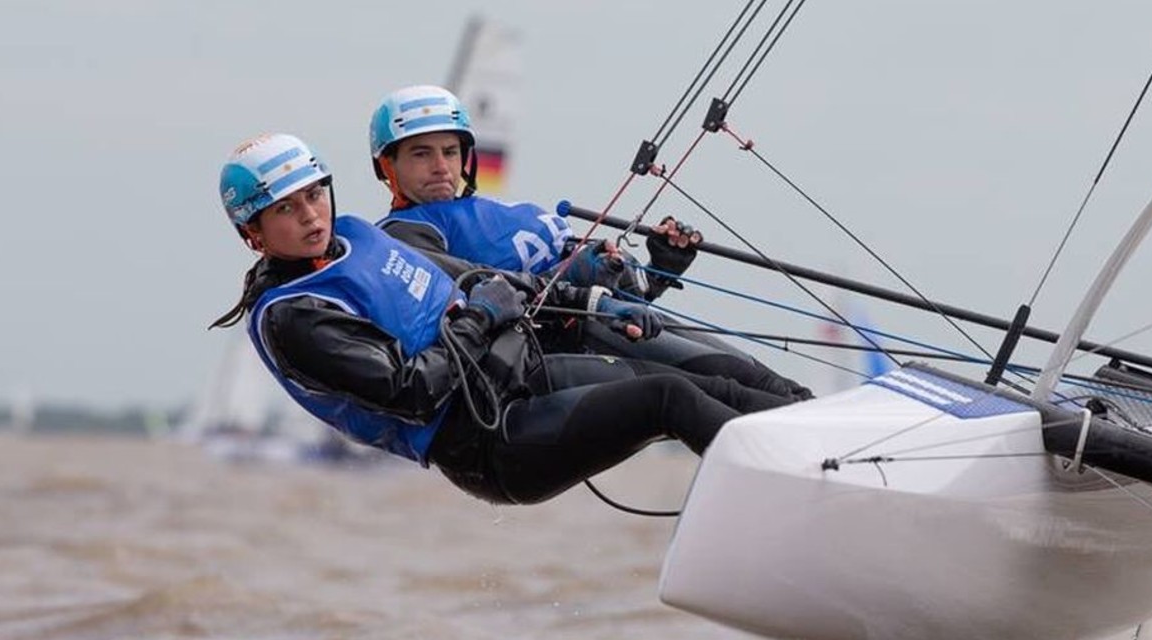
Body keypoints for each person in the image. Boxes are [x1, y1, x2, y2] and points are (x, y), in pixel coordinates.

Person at [211, 133, 790, 505]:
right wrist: (478, 318)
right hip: (490, 440)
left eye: (314, 195)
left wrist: (593, 290)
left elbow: (483, 283)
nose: (310, 216)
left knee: (705, 388)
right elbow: (410, 391)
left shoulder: (356, 235)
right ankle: (800, 487)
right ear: (251, 234)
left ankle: (824, 442)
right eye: (285, 210)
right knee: (670, 399)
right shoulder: (295, 316)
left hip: (527, 372)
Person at [366, 84, 813, 401]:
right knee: (730, 380)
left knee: (754, 373)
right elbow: (468, 300)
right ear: (389, 165)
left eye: (449, 151)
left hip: (611, 321)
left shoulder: (507, 212)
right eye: (421, 154)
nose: (441, 166)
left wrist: (658, 267)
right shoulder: (406, 234)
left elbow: (623, 291)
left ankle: (821, 418)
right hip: (563, 345)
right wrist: (571, 275)